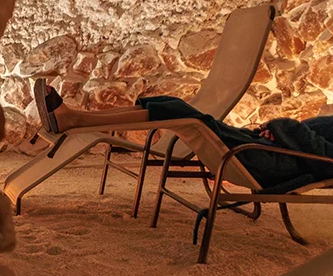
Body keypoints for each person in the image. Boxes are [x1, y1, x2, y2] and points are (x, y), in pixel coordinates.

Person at [33, 79, 333, 192]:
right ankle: (74, 118)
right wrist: (280, 130)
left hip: (275, 164)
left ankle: (74, 118)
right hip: (266, 148)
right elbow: (307, 132)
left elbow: (321, 154)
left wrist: (281, 128)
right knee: (174, 107)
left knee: (185, 116)